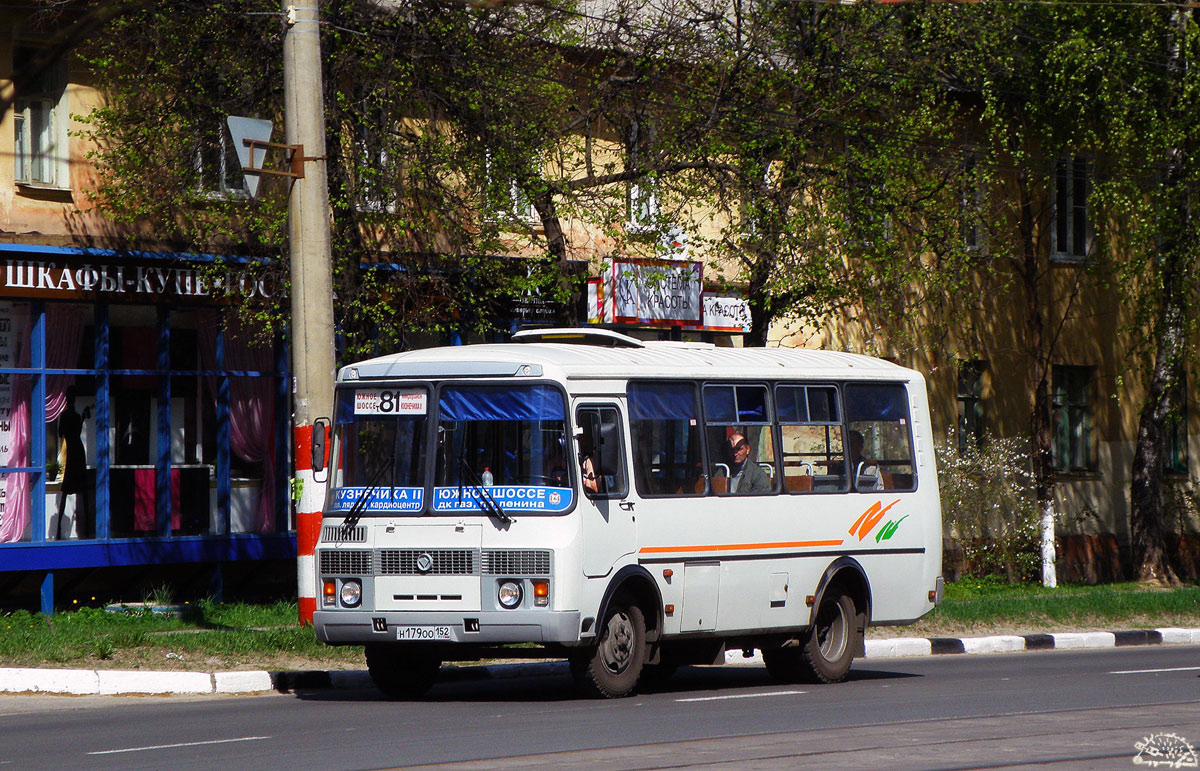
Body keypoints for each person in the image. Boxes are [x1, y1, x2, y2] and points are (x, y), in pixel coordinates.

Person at [55, 386, 91, 539]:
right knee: (79, 490)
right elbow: (70, 433)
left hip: (74, 453)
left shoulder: (68, 416)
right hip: (76, 453)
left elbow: (61, 433)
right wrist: (81, 418)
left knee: (73, 490)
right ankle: (85, 527)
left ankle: (62, 529)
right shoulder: (74, 416)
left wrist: (81, 418)